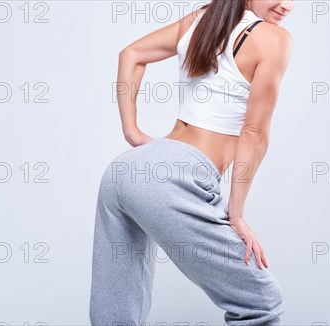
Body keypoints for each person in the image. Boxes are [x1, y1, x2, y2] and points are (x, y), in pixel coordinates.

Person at [90, 0, 294, 324]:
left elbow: (131, 54)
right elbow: (254, 132)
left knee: (116, 314)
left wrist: (131, 131)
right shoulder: (273, 39)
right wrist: (236, 214)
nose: (288, 5)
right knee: (262, 303)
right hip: (176, 177)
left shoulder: (200, 19)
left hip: (125, 170)